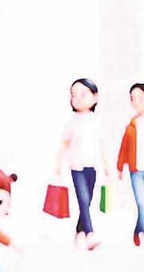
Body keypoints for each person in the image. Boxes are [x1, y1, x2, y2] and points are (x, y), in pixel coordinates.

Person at [54, 78, 110, 250]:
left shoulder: (96, 121)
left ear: (95, 97)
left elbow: (102, 145)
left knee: (87, 201)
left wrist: (107, 166)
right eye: (73, 95)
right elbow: (64, 144)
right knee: (83, 199)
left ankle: (79, 231)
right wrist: (58, 165)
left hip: (92, 167)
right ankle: (90, 234)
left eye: (83, 94)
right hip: (76, 167)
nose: (77, 99)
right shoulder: (73, 122)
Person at [117, 82, 144, 247]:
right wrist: (120, 167)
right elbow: (124, 148)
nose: (136, 102)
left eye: (140, 97)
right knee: (141, 202)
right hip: (136, 171)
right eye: (133, 98)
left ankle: (139, 229)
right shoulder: (132, 125)